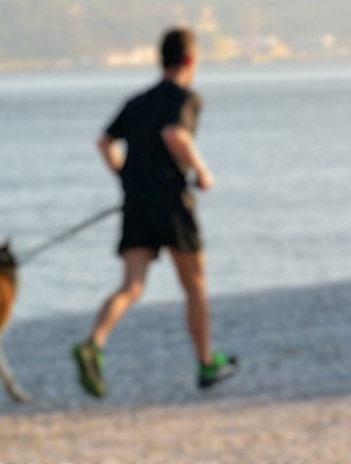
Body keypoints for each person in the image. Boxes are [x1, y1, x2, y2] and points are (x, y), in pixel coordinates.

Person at [72, 27, 238, 398]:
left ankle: (94, 343)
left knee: (131, 286)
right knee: (194, 285)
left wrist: (125, 176)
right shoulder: (187, 97)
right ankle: (206, 362)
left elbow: (104, 142)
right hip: (172, 201)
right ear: (191, 60)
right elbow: (174, 135)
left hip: (136, 203)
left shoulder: (137, 101)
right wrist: (202, 171)